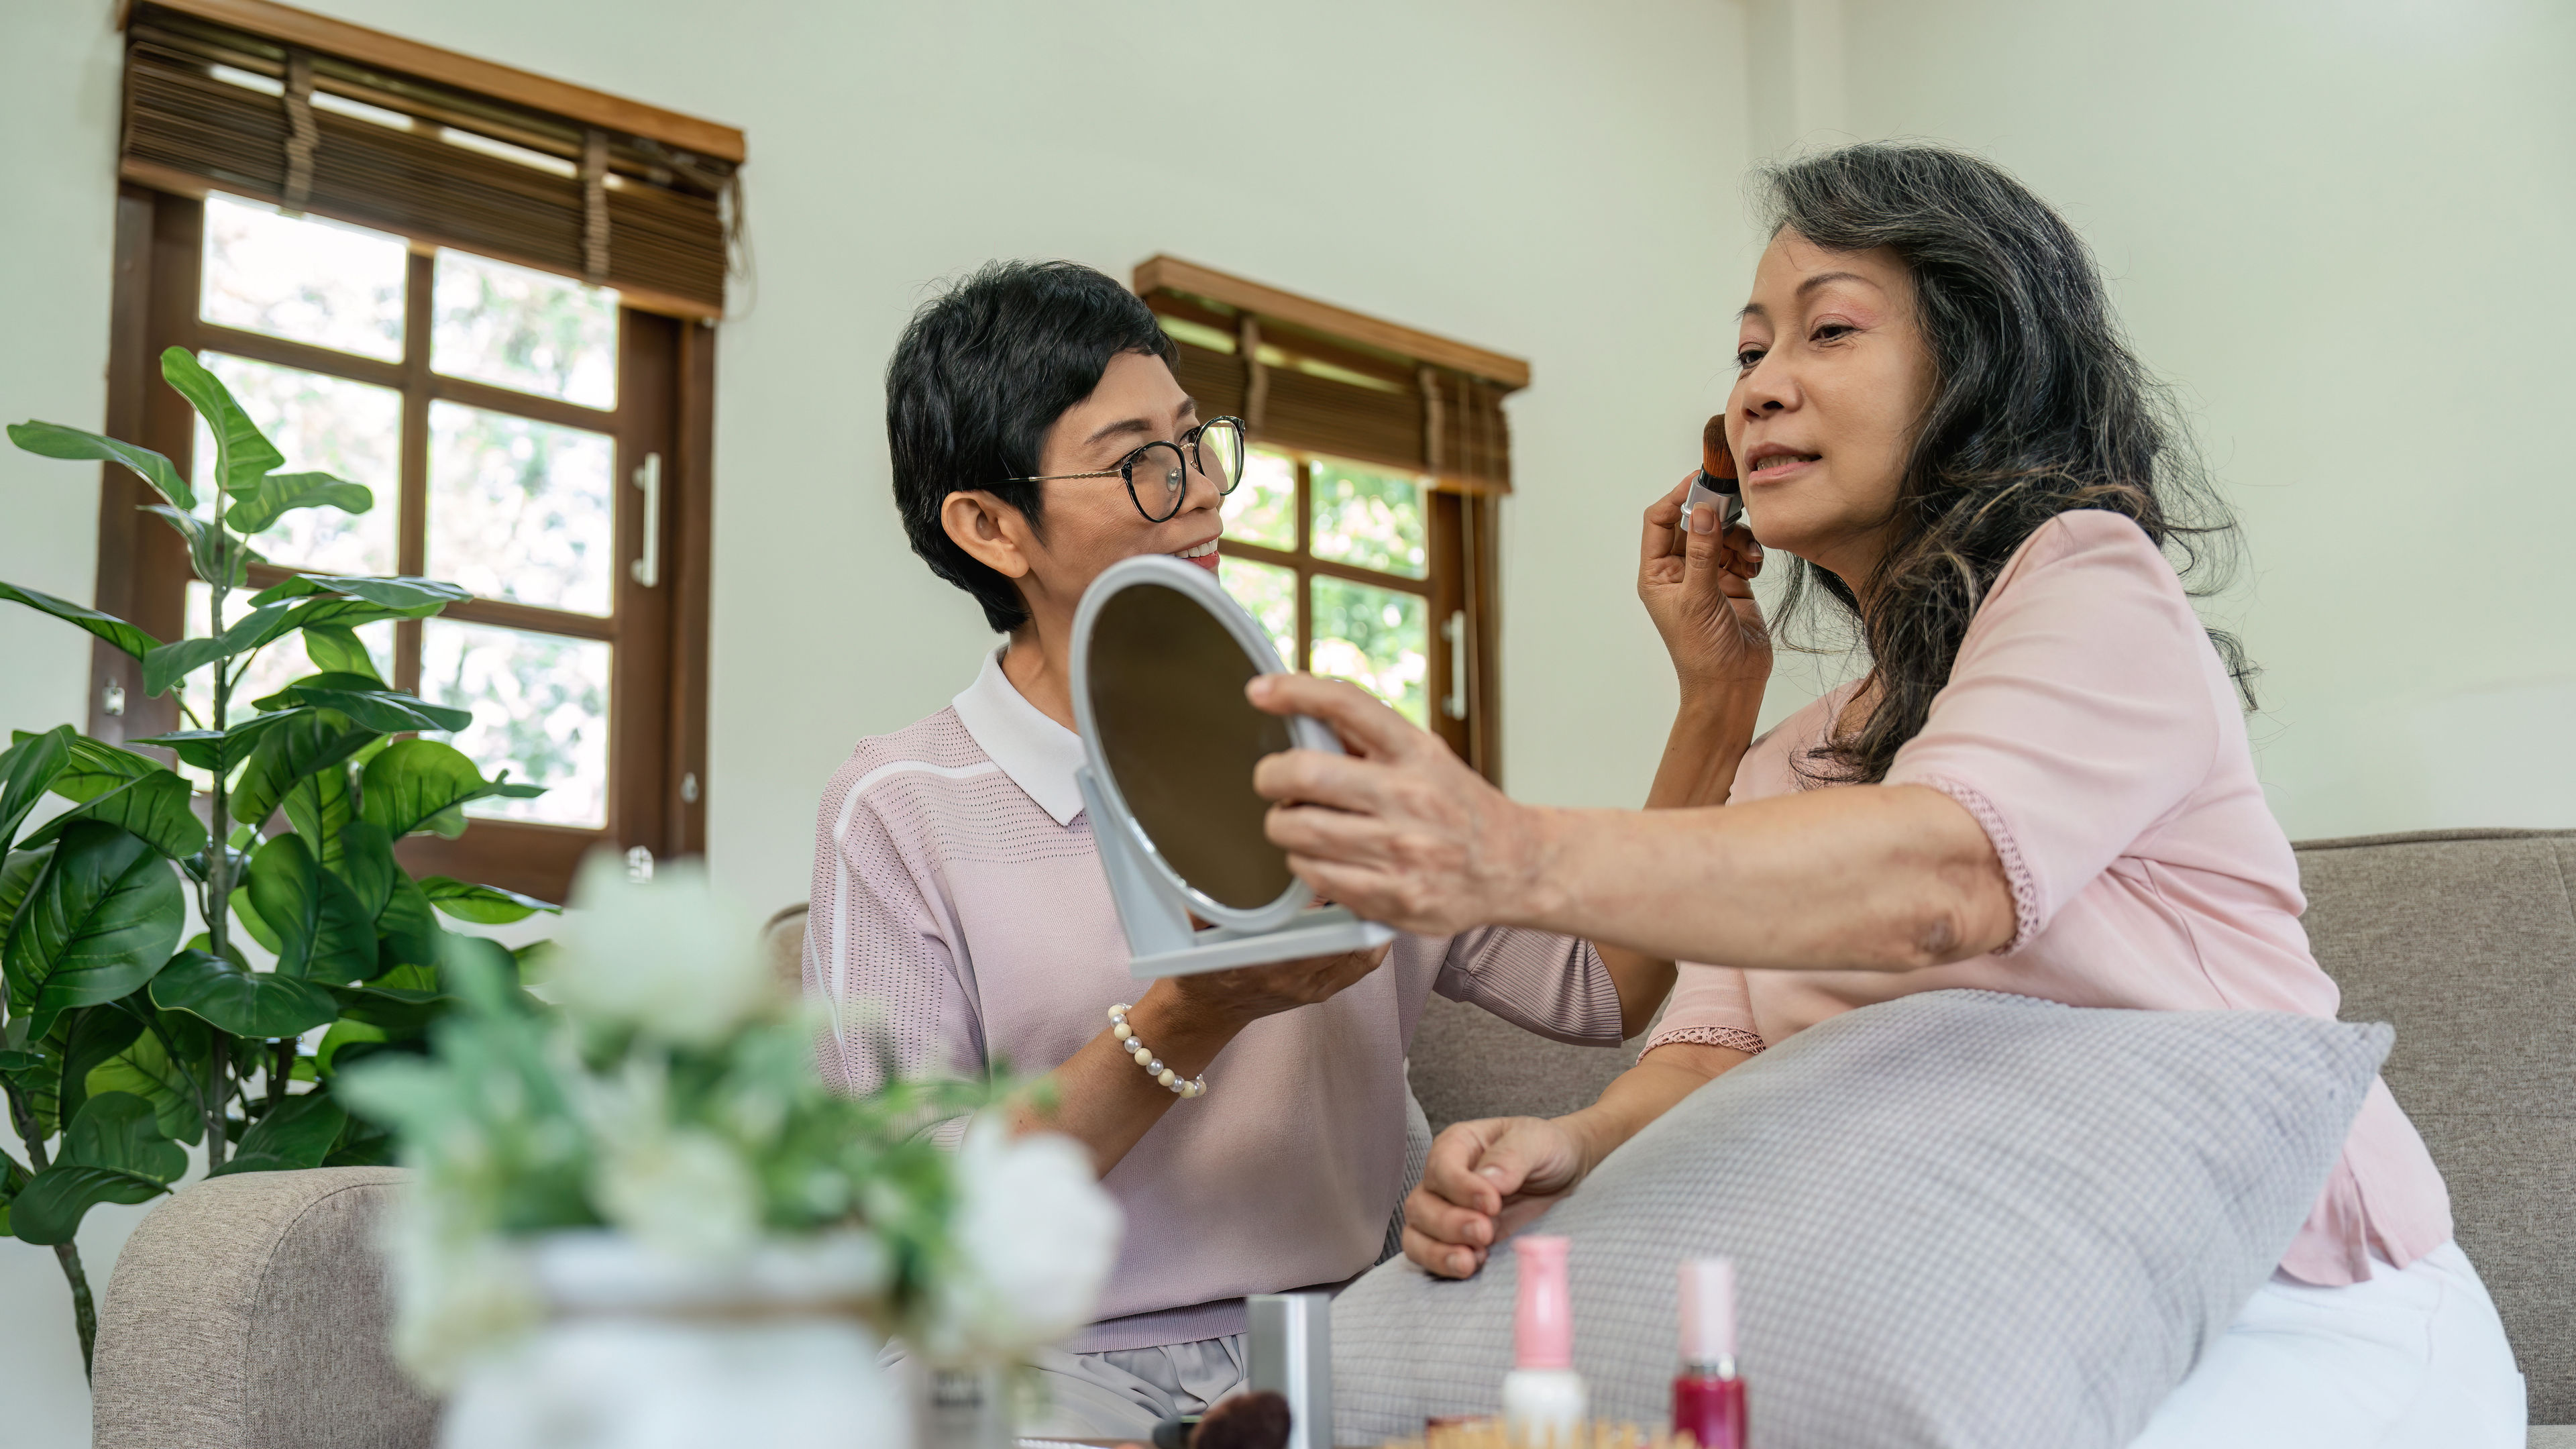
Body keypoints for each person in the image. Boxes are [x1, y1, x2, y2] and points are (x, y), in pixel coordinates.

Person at [1244, 144, 2526, 1446]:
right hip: (2010, 1323)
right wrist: (1572, 1145)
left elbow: (1942, 882)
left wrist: (1505, 853)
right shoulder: (1796, 756)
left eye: (1829, 331)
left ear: (1979, 370)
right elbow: (1714, 1054)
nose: (1762, 390)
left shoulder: (2093, 585)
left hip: (2283, 1303)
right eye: (1749, 354)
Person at [803, 260, 1673, 1437]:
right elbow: (897, 1224)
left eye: (1197, 442)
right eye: (1138, 463)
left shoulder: (1337, 754)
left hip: (1352, 1334)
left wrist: (1713, 694)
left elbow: (1606, 987)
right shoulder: (902, 808)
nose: (1203, 490)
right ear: (990, 525)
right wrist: (1190, 1015)